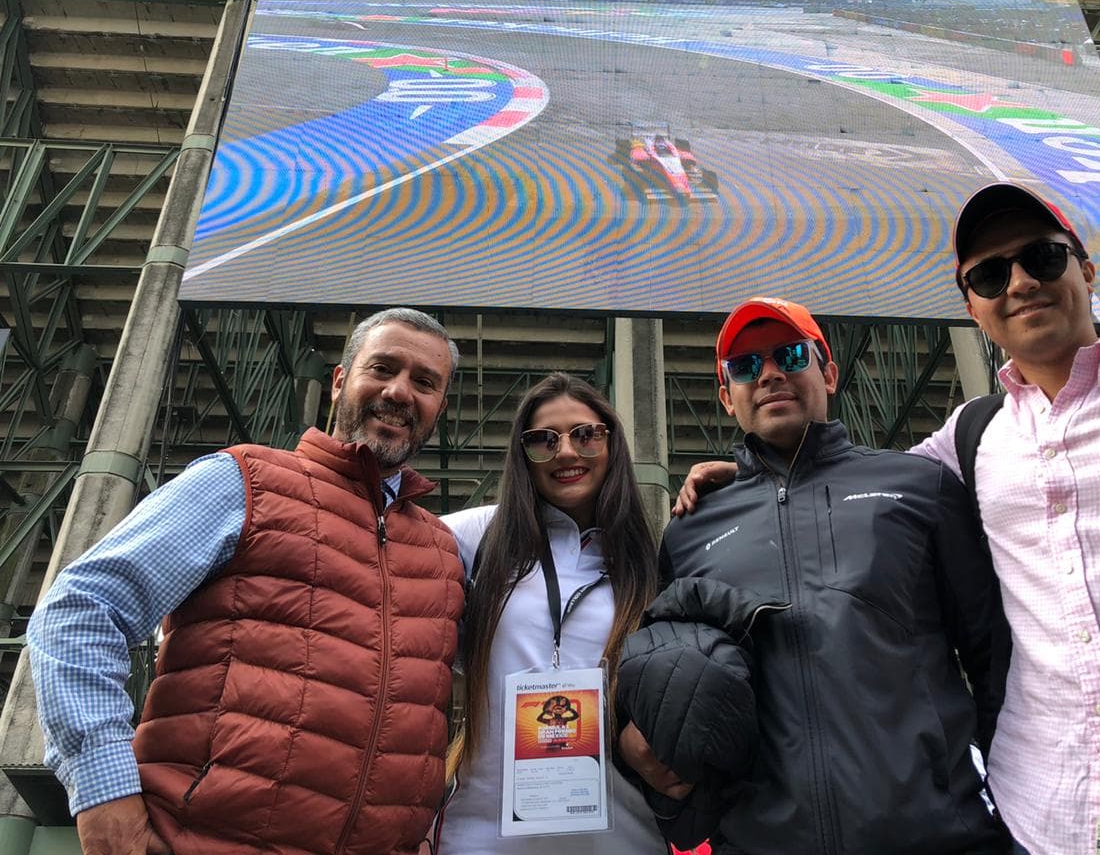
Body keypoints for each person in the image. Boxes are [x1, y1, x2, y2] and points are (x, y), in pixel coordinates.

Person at [678, 184, 1100, 855]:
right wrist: (753, 482)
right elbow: (848, 490)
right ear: (972, 304)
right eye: (992, 274)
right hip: (1056, 824)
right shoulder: (971, 437)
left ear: (1086, 268)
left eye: (1042, 259)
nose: (1020, 283)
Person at [28, 307, 466, 855]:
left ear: (439, 408)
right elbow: (81, 610)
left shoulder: (440, 551)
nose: (400, 392)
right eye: (382, 369)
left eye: (424, 383)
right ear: (339, 382)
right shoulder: (244, 481)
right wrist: (103, 792)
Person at [618, 297, 1010, 855]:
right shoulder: (690, 530)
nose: (771, 374)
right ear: (728, 397)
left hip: (935, 836)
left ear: (827, 371)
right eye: (746, 366)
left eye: (790, 354)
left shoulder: (919, 487)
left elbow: (994, 663)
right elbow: (667, 674)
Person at [434, 373, 664, 855]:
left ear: (612, 443)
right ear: (523, 455)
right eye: (543, 440)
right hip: (483, 837)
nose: (565, 452)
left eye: (585, 434)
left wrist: (730, 485)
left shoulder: (649, 562)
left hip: (622, 837)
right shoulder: (477, 538)